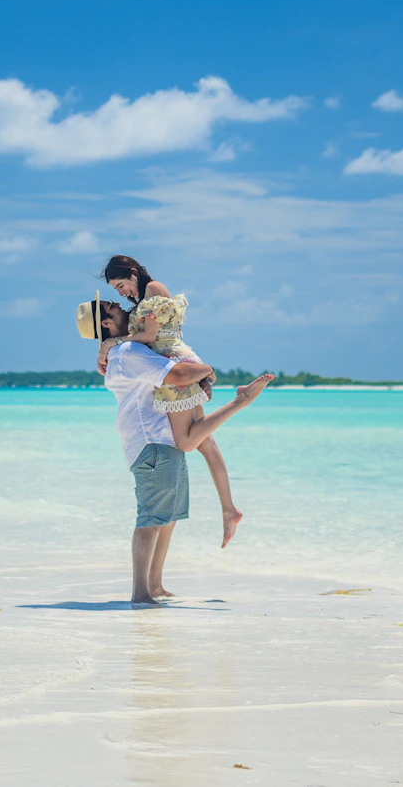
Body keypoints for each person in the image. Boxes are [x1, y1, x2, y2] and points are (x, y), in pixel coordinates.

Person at [76, 293, 272, 606]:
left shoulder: (123, 349)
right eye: (112, 306)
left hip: (162, 440)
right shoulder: (127, 352)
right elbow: (178, 374)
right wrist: (206, 370)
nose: (120, 305)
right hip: (151, 442)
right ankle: (141, 593)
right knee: (151, 518)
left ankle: (154, 586)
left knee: (167, 518)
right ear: (106, 322)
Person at [98, 254, 244, 548]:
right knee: (205, 441)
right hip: (177, 360)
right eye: (115, 290)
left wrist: (112, 341)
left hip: (175, 363)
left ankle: (241, 401)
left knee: (188, 441)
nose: (121, 293)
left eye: (120, 284)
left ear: (132, 272)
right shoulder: (144, 297)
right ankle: (229, 509)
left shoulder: (153, 289)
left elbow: (150, 334)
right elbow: (147, 335)